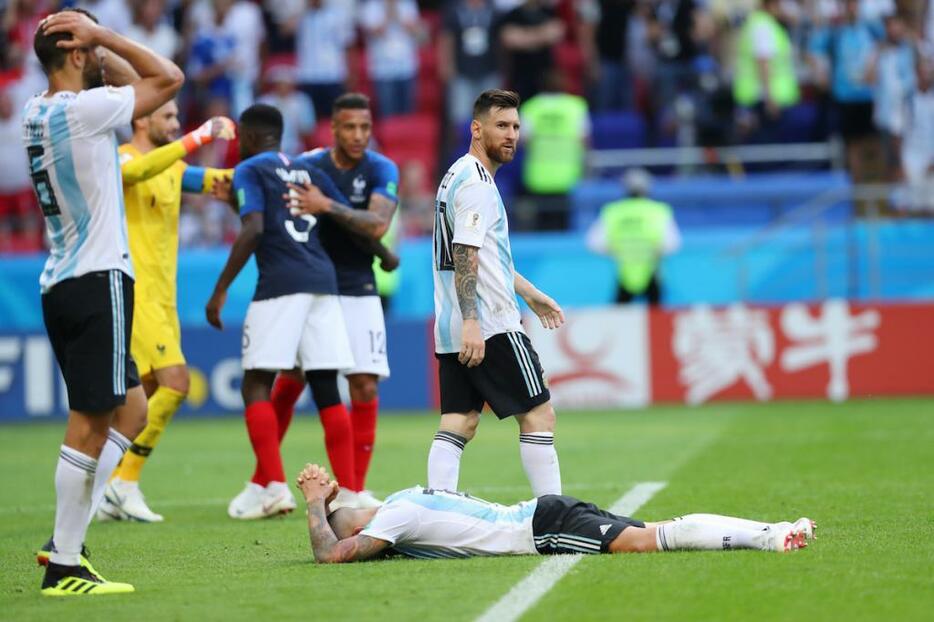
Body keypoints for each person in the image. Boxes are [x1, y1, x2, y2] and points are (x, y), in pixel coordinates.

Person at [24, 7, 183, 596]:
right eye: (89, 49)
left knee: (132, 411)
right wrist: (104, 36)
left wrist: (89, 45)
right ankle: (65, 562)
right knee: (90, 423)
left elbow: (123, 82)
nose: (101, 58)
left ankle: (67, 538)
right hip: (96, 279)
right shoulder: (85, 111)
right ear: (75, 55)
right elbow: (167, 78)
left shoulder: (36, 111)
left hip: (64, 278)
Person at [204, 103, 355, 521]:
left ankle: (272, 486)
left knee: (255, 384)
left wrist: (220, 290)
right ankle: (349, 492)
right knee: (326, 386)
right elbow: (327, 218)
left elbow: (255, 229)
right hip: (322, 283)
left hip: (281, 285)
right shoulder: (309, 171)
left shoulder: (250, 169)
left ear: (249, 137)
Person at [96, 104, 235, 523]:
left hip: (164, 298)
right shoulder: (122, 157)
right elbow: (134, 175)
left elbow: (221, 182)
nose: (175, 124)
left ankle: (107, 486)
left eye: (178, 119)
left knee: (150, 393)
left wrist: (287, 169)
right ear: (141, 120)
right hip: (133, 292)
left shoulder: (173, 169)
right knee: (177, 383)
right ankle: (123, 483)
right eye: (169, 118)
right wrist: (197, 137)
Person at [429, 89, 565, 497]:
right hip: (489, 324)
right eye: (501, 126)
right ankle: (554, 512)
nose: (511, 135)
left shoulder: (458, 173)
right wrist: (474, 320)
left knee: (459, 421)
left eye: (516, 127)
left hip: (455, 323)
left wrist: (530, 292)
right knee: (539, 415)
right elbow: (465, 252)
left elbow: (485, 257)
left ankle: (437, 509)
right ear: (476, 129)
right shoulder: (476, 184)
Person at [274, 92, 400, 509]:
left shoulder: (381, 168)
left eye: (365, 127)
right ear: (333, 128)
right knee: (294, 375)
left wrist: (325, 204)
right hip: (313, 289)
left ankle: (354, 490)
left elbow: (378, 224)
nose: (359, 135)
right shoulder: (307, 166)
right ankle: (265, 479)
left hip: (359, 287)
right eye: (350, 127)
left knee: (363, 384)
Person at [294, 463, 816, 563]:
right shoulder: (401, 503)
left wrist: (317, 502)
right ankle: (772, 530)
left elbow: (331, 552)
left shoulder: (393, 521)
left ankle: (769, 535)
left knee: (658, 538)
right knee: (654, 532)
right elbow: (348, 533)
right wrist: (330, 496)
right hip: (545, 514)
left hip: (543, 528)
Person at [586, 168, 681, 306]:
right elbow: (673, 243)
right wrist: (654, 251)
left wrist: (616, 251)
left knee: (620, 317)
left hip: (624, 272)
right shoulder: (658, 210)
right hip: (652, 271)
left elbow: (593, 242)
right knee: (656, 319)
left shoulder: (614, 211)